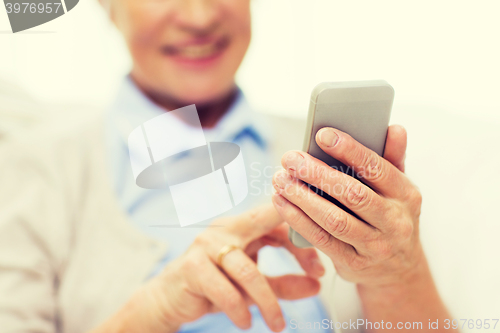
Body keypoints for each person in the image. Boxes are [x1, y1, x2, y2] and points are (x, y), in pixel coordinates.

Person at [0, 0, 457, 332]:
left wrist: (399, 273)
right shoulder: (38, 165)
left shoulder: (328, 150)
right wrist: (155, 309)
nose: (199, 17)